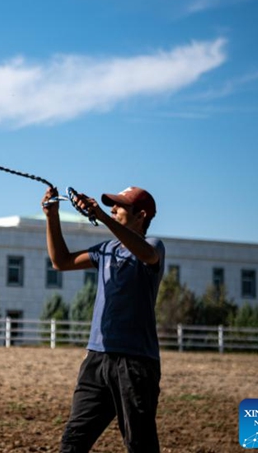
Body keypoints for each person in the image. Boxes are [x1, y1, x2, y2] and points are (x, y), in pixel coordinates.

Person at [41, 186, 165, 453]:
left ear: (140, 215)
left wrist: (101, 216)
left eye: (120, 206)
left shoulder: (153, 246)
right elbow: (60, 261)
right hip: (97, 359)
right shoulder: (105, 250)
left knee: (140, 445)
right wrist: (52, 216)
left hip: (135, 364)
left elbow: (146, 254)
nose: (113, 209)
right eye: (111, 205)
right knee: (73, 441)